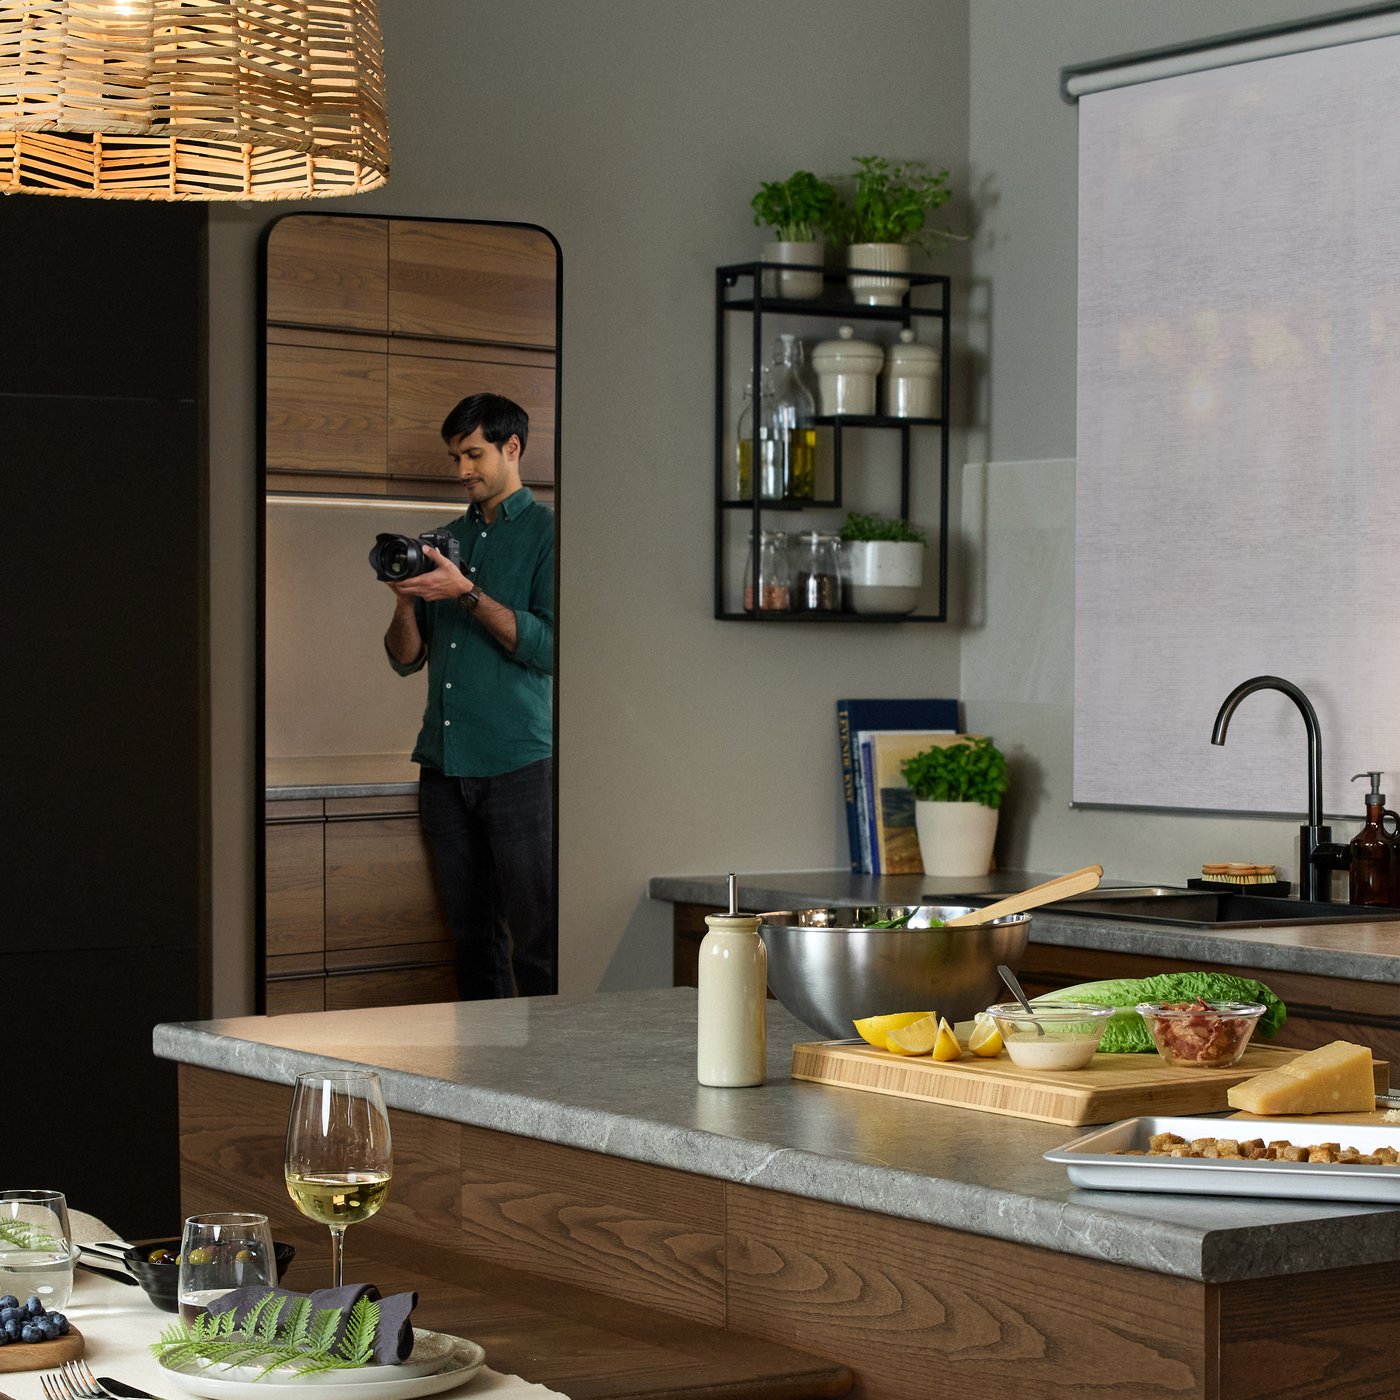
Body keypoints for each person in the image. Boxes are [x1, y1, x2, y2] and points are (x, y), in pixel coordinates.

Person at [382, 392, 555, 999]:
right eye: (456, 457)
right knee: (471, 939)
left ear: (513, 448)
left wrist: (466, 592)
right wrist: (405, 599)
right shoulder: (445, 539)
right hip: (444, 766)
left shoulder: (550, 534)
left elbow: (552, 648)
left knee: (540, 942)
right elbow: (405, 659)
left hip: (520, 763)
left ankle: (550, 1083)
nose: (463, 470)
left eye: (474, 454)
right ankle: (489, 1086)